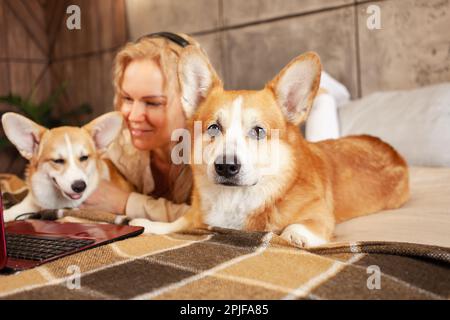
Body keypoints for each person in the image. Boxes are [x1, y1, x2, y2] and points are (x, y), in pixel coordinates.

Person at [82, 32, 203, 222]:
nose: (133, 116)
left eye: (153, 103)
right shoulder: (120, 147)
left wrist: (127, 203)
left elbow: (216, 222)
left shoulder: (218, 153)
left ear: (194, 100)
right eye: (127, 99)